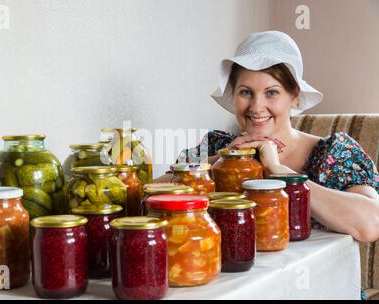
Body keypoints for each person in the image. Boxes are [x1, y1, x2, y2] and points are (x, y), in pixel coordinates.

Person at [155, 30, 379, 243]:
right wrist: (221, 160)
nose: (256, 106)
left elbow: (371, 224)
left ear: (294, 97)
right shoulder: (217, 147)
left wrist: (280, 172)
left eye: (272, 92)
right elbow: (149, 197)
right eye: (246, 92)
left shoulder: (334, 153)